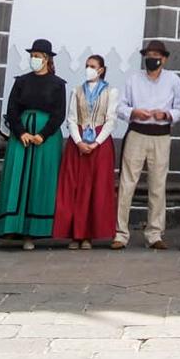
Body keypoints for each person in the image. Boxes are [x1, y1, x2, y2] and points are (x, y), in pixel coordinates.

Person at [0, 38, 67, 249]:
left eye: (37, 56)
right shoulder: (22, 81)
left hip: (46, 137)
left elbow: (59, 114)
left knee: (39, 180)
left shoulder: (57, 84)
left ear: (46, 59)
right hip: (23, 135)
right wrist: (21, 132)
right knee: (17, 176)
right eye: (32, 56)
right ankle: (11, 226)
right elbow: (12, 109)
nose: (34, 59)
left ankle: (32, 232)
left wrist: (43, 134)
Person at [113, 39, 180, 250]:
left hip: (161, 134)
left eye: (156, 55)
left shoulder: (173, 80)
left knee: (158, 185)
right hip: (137, 132)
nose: (152, 59)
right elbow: (120, 106)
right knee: (127, 184)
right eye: (149, 55)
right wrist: (133, 112)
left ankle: (154, 233)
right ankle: (120, 233)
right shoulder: (133, 79)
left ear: (164, 59)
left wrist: (167, 114)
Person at [57, 52, 120, 250]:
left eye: (92, 66)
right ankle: (74, 234)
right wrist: (77, 141)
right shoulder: (77, 91)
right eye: (87, 65)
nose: (89, 69)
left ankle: (89, 235)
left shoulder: (110, 91)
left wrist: (96, 143)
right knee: (75, 188)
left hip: (100, 144)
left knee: (96, 189)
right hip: (78, 142)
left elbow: (111, 121)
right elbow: (71, 118)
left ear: (101, 70)